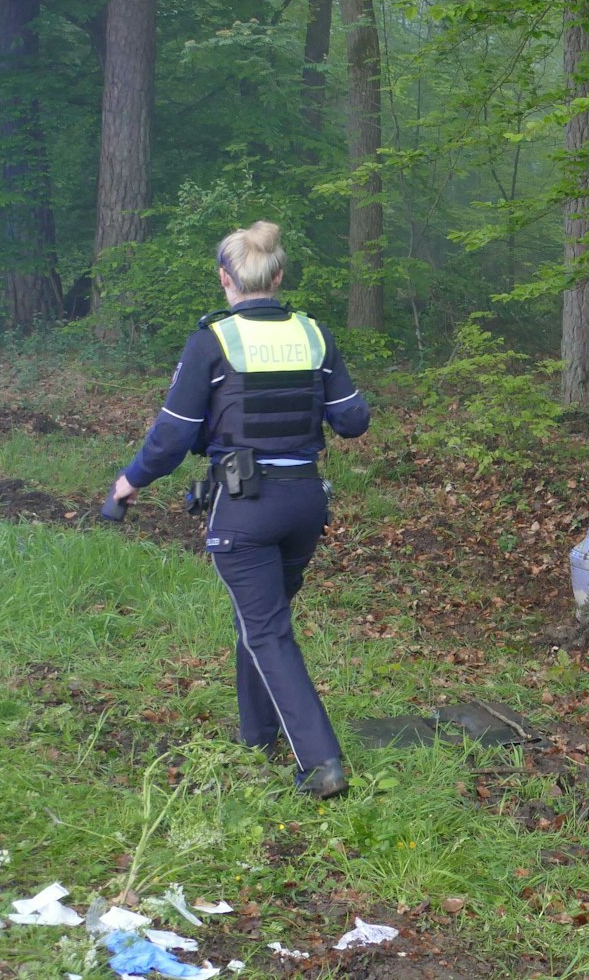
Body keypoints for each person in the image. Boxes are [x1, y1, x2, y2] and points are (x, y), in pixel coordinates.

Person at [109, 221, 370, 799]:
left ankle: (321, 762)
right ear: (278, 276)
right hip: (304, 505)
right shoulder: (314, 336)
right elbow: (353, 420)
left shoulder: (213, 342)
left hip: (246, 509)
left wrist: (129, 484)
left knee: (267, 631)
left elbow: (171, 437)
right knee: (259, 622)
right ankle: (258, 738)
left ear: (225, 279)